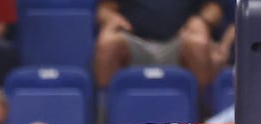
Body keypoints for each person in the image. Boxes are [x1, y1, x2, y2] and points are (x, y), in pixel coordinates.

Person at [93, 0, 227, 89]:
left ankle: (203, 115)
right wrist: (111, 18)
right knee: (108, 44)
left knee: (198, 43)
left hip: (179, 40)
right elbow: (105, 8)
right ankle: (104, 116)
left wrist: (201, 20)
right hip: (133, 39)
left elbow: (214, 8)